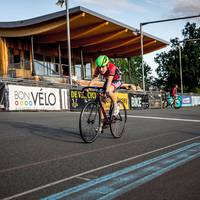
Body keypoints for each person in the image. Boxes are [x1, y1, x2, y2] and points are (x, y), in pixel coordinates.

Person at [87, 55, 122, 132]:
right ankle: (101, 124)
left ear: (107, 65)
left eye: (103, 67)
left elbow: (110, 81)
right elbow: (94, 79)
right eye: (99, 67)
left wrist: (106, 92)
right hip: (108, 80)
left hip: (116, 80)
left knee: (108, 91)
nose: (101, 69)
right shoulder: (98, 68)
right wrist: (88, 88)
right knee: (101, 101)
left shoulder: (112, 67)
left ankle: (116, 106)